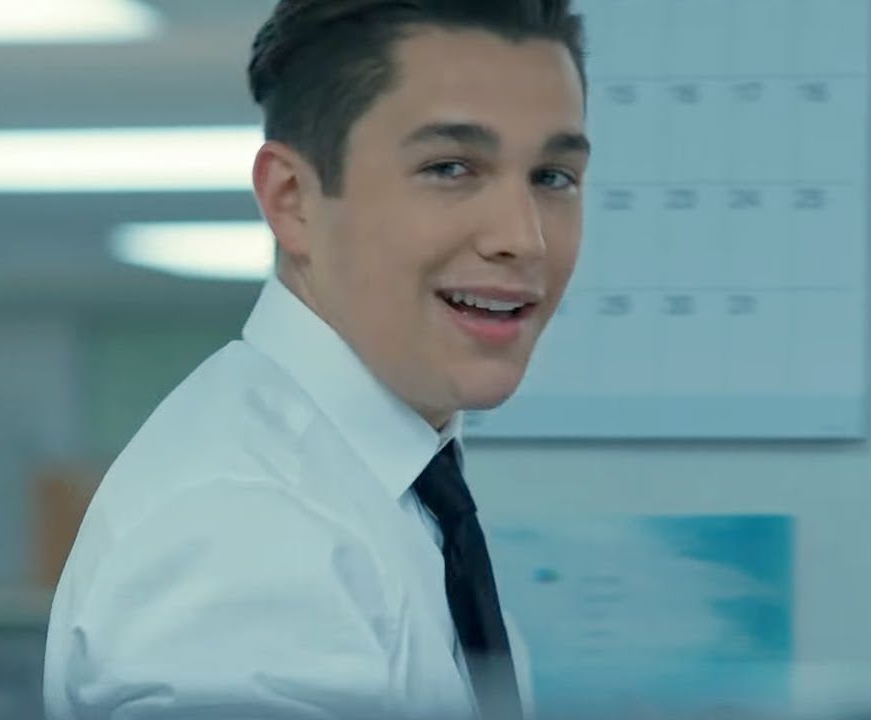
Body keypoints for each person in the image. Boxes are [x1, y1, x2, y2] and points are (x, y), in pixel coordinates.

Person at [43, 1, 589, 718]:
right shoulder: (247, 529)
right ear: (293, 199)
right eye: (450, 168)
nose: (524, 238)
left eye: (552, 177)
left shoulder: (396, 494)